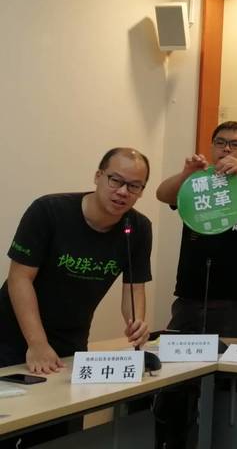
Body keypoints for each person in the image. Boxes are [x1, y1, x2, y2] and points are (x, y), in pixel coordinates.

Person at [0, 148, 151, 447]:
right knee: (11, 425)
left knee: (60, 432)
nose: (123, 192)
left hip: (71, 341)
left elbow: (134, 286)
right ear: (98, 176)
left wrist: (137, 323)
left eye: (134, 186)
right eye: (115, 180)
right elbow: (20, 278)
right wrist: (37, 343)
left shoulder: (138, 227)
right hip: (14, 336)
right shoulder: (49, 211)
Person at [153, 121, 237, 449]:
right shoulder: (199, 182)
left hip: (235, 303)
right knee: (176, 383)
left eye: (235, 144)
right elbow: (162, 193)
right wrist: (186, 173)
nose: (226, 148)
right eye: (220, 142)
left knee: (227, 386)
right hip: (189, 300)